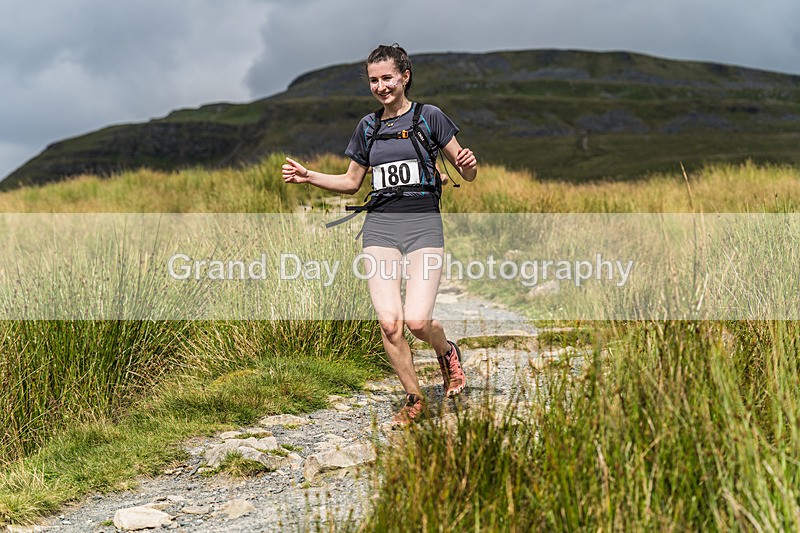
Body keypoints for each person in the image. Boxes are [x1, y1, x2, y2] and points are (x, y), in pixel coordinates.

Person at [282, 43, 478, 426]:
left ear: (405, 76)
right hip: (380, 229)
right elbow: (351, 182)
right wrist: (309, 177)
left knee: (417, 323)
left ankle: (446, 351)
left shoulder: (429, 117)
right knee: (390, 324)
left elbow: (466, 171)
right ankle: (414, 399)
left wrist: (470, 166)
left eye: (387, 78)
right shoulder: (368, 127)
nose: (381, 86)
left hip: (423, 227)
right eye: (373, 80)